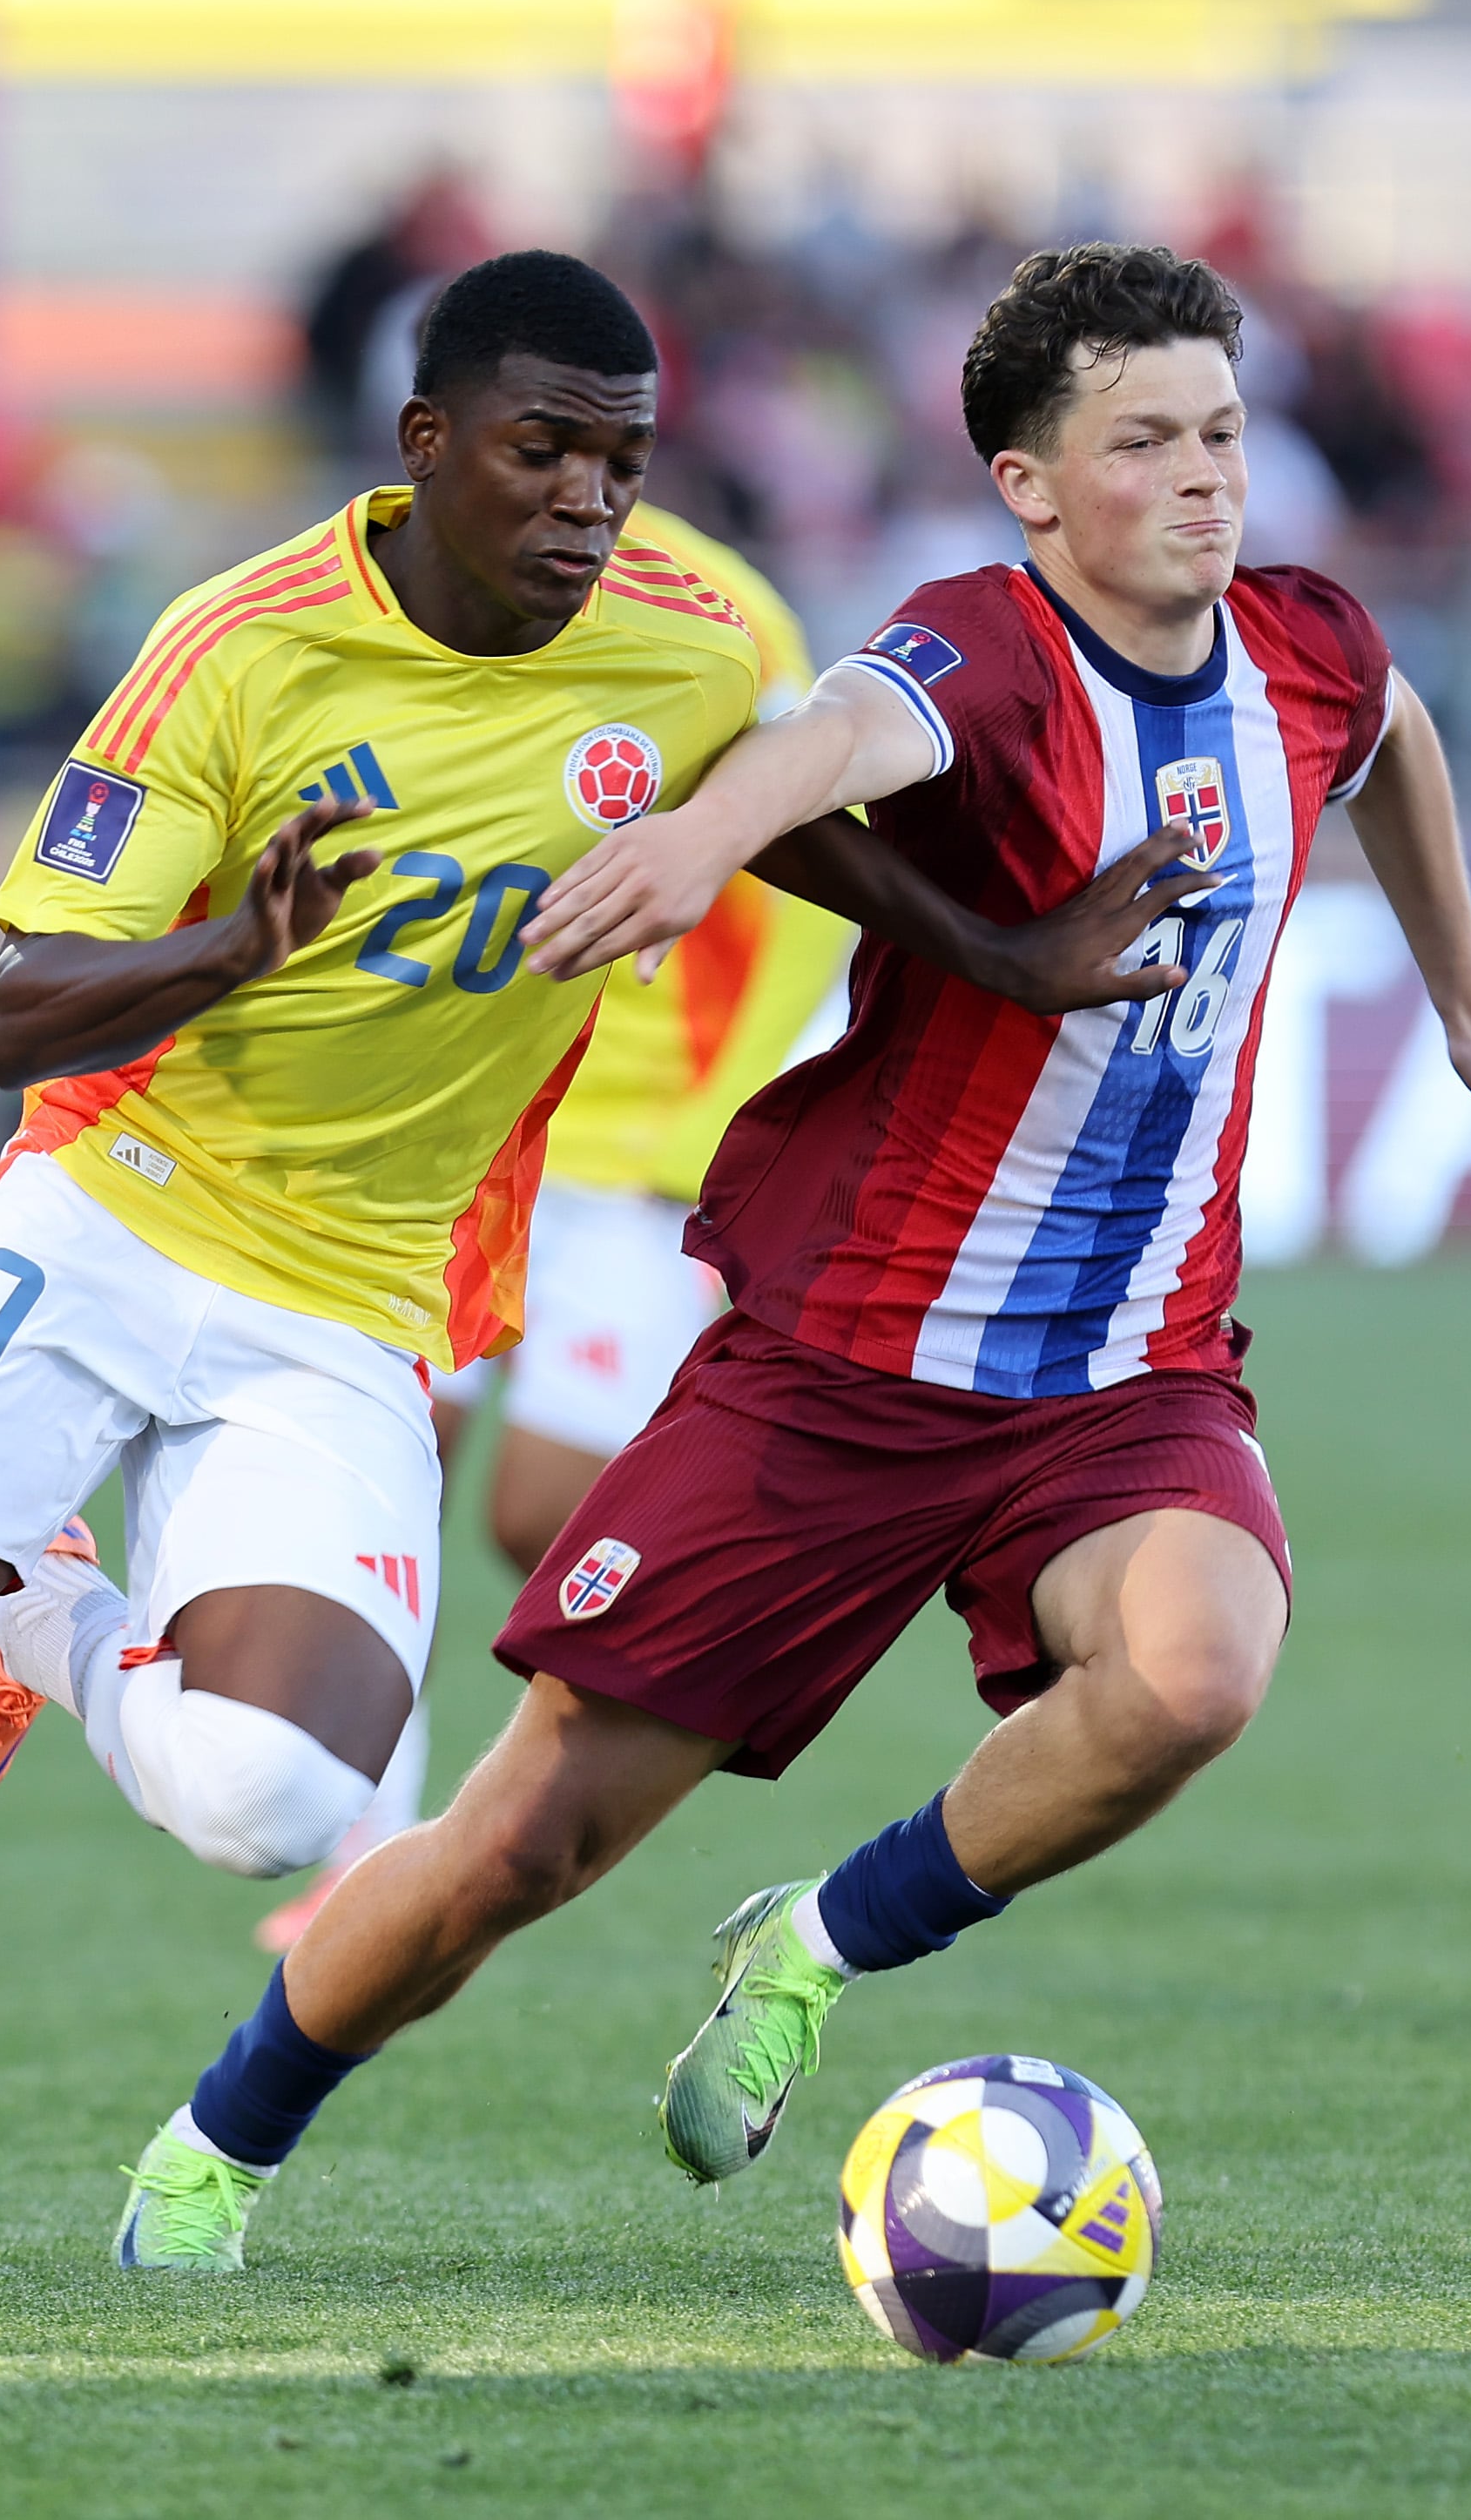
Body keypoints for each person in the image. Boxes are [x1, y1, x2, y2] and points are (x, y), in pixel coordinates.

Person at [0, 250, 1164, 2312]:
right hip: (102, 1217)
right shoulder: (234, 650)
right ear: (425, 444)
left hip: (352, 1305)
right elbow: (11, 1008)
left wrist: (1002, 955)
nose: (589, 500)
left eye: (621, 460)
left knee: (273, 1805)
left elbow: (761, 816)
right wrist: (223, 948)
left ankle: (44, 1623)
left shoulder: (684, 643)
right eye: (543, 452)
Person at [101, 243, 1471, 2267]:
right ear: (1026, 486)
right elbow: (829, 741)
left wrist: (1465, 1003)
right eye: (1141, 443)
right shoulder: (982, 653)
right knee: (522, 1844)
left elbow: (1388, 728)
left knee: (1190, 1674)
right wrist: (695, 839)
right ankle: (217, 2147)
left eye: (1222, 434)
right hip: (845, 1370)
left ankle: (813, 1942)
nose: (1201, 478)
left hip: (1124, 1368)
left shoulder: (1300, 645)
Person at [252, 503, 853, 1956]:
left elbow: (815, 878)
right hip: (460, 1136)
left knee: (543, 1517)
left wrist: (713, 1115)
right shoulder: (412, 581)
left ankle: (588, 1788)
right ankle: (366, 1854)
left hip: (625, 1164)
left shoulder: (721, 618)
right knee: (383, 1464)